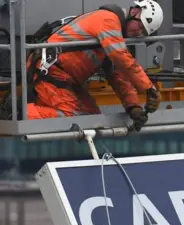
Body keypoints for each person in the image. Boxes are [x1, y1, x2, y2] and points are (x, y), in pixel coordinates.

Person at [10, 0, 164, 131]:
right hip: (51, 72)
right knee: (74, 118)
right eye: (141, 27)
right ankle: (15, 115)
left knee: (92, 118)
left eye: (144, 33)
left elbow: (118, 76)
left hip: (66, 78)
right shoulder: (108, 20)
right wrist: (148, 87)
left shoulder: (114, 36)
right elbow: (121, 58)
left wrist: (133, 107)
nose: (139, 33)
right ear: (135, 12)